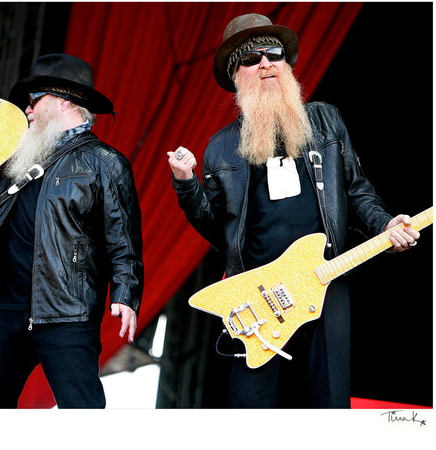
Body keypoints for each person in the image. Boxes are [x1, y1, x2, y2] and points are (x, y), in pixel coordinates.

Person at [166, 14, 420, 408]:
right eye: (250, 59)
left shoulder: (325, 119)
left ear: (287, 66)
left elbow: (357, 192)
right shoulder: (220, 147)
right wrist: (185, 184)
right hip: (258, 292)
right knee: (251, 404)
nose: (265, 63)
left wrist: (385, 226)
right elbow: (219, 230)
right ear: (237, 76)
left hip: (325, 278)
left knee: (329, 398)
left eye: (274, 54)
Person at [0, 53, 144, 408]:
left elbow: (124, 240)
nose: (26, 110)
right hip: (10, 307)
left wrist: (125, 294)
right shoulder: (17, 153)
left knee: (82, 411)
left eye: (33, 101)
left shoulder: (105, 162)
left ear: (63, 100)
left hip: (67, 310)